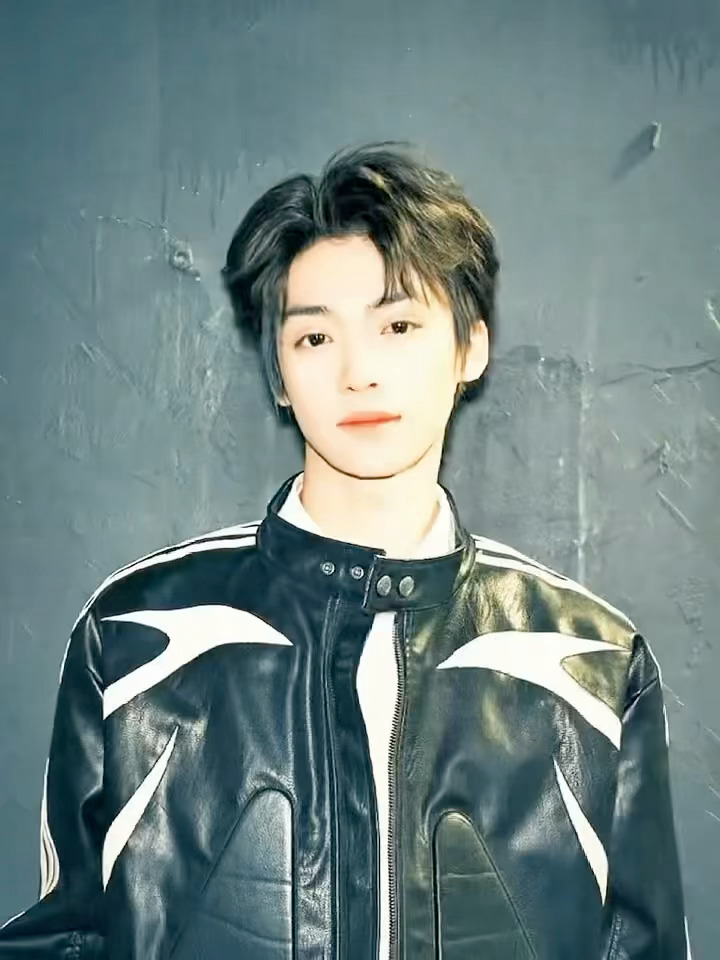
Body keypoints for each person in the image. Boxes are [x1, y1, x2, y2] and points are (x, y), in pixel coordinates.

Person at [0, 142, 690, 959]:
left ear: (470, 347)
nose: (359, 372)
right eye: (316, 338)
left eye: (398, 325)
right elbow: (66, 937)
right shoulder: (134, 638)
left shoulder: (595, 663)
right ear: (279, 373)